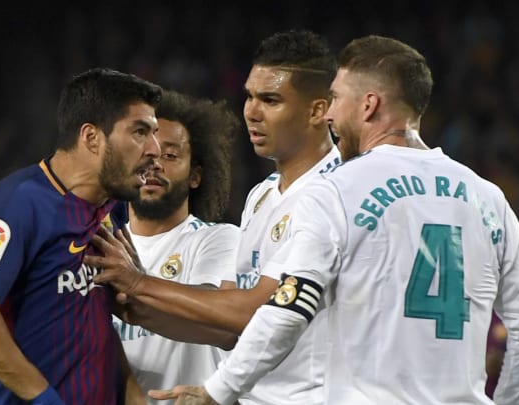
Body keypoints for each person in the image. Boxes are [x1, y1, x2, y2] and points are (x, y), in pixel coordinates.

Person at [150, 35, 519, 405]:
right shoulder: (487, 196)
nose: (330, 115)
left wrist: (218, 391)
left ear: (369, 105)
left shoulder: (337, 189)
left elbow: (292, 305)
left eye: (337, 98)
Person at [88, 30, 345, 404]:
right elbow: (226, 329)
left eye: (270, 100)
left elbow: (255, 311)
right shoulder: (263, 196)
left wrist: (140, 284)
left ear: (318, 111)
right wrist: (127, 309)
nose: (252, 112)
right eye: (250, 96)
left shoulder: (336, 193)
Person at [0, 68, 162, 405]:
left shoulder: (111, 208)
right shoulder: (20, 202)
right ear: (91, 138)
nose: (155, 148)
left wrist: (129, 387)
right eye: (139, 132)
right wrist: (45, 398)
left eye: (154, 133)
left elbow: (93, 314)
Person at [111, 89, 241, 404]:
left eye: (169, 155)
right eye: (145, 153)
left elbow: (220, 321)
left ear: (195, 175)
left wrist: (136, 286)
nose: (154, 165)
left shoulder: (218, 239)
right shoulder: (106, 245)